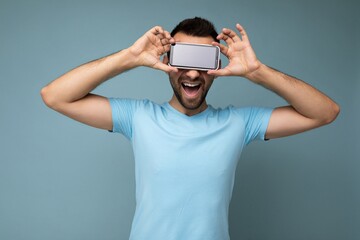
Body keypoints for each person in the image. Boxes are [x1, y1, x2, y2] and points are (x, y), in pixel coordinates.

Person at [41, 17, 339, 240]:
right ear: (167, 61)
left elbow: (325, 113)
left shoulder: (238, 124)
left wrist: (258, 72)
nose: (194, 73)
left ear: (218, 68)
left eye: (204, 62)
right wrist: (129, 58)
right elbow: (54, 96)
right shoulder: (139, 117)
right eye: (184, 59)